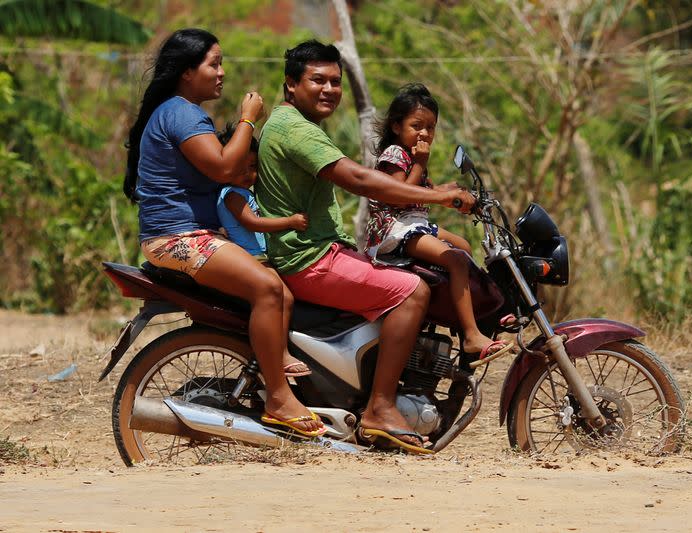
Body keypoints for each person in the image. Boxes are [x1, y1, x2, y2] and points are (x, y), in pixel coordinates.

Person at [255, 40, 475, 453]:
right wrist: (438, 197)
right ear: (290, 85)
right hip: (310, 258)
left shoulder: (300, 125)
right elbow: (358, 180)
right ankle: (380, 406)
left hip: (320, 250)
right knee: (414, 291)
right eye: (317, 80)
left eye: (335, 81)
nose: (329, 89)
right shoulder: (294, 129)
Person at [124, 28, 324, 437]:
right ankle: (279, 398)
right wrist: (249, 117)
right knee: (267, 289)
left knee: (280, 290)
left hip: (190, 234)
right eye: (213, 64)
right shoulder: (181, 112)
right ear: (185, 72)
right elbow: (226, 168)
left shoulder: (180, 111)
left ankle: (277, 359)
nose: (222, 72)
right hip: (176, 238)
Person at [366, 83, 509, 360]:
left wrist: (451, 191)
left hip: (413, 223)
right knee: (455, 259)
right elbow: (399, 197)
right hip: (394, 229)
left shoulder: (411, 155)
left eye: (430, 128)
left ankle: (457, 312)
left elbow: (424, 190)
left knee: (464, 247)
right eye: (416, 125)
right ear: (397, 126)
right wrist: (420, 164)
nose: (424, 133)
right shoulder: (395, 154)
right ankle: (470, 334)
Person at [214, 125, 311, 377]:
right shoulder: (232, 195)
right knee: (284, 298)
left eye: (253, 167)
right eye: (241, 168)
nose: (249, 174)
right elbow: (252, 223)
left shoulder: (243, 192)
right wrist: (290, 222)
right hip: (252, 257)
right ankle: (279, 354)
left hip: (259, 256)